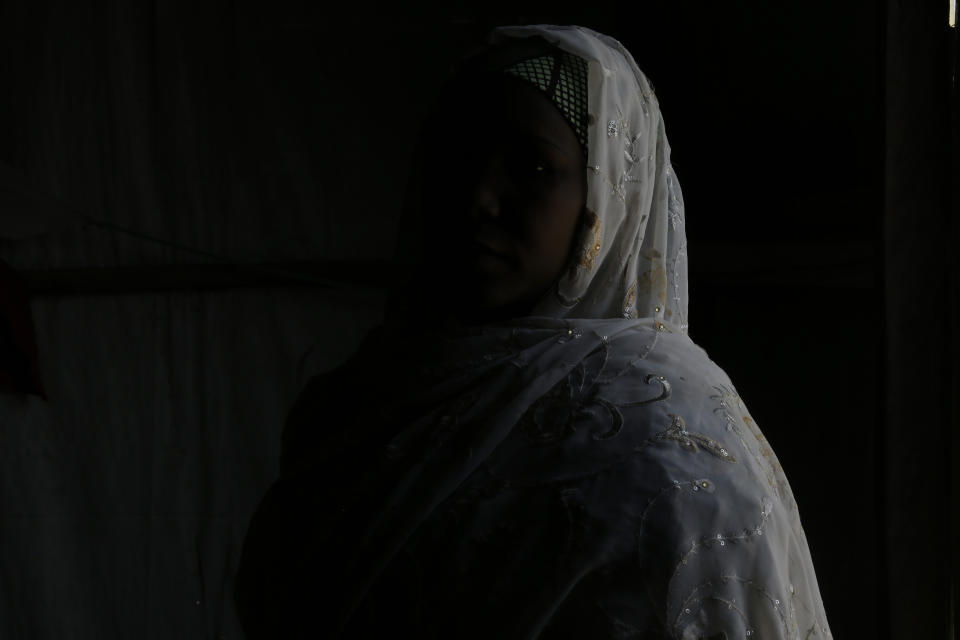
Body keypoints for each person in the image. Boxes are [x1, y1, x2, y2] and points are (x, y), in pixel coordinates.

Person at [234, 24, 833, 639]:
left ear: (608, 196)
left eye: (534, 166)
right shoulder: (362, 401)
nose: (480, 197)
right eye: (458, 156)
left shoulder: (670, 439)